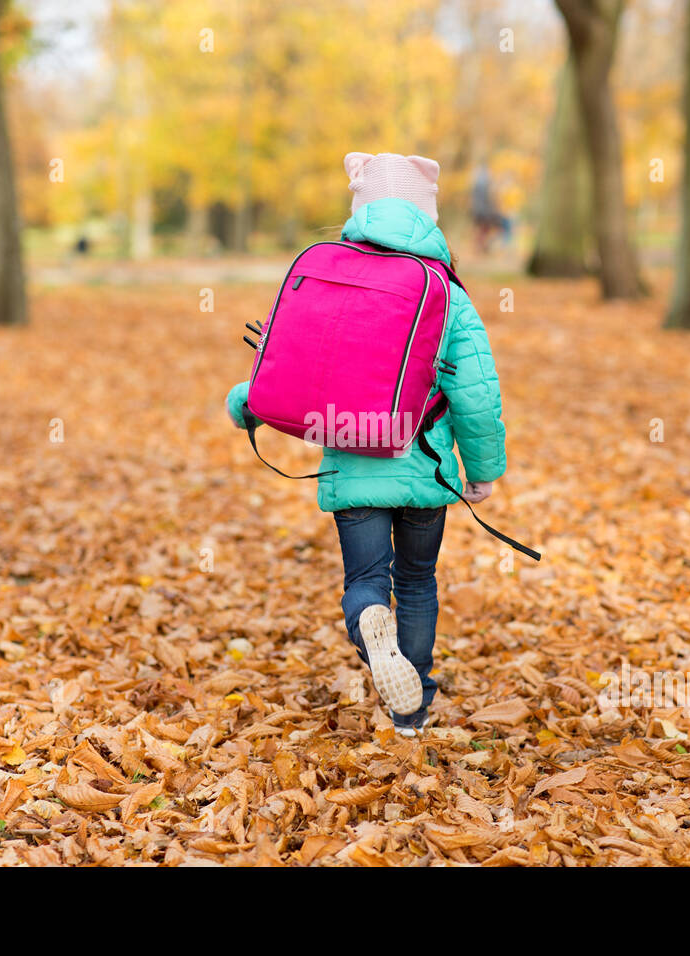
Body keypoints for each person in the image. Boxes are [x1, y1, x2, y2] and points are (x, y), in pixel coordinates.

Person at [223, 152, 508, 736]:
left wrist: (243, 404)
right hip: (426, 470)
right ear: (426, 216)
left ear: (361, 210)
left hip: (352, 463)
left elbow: (294, 370)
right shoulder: (447, 293)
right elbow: (478, 396)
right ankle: (414, 711)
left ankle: (373, 626)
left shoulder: (327, 274)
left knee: (367, 582)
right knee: (418, 581)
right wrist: (482, 472)